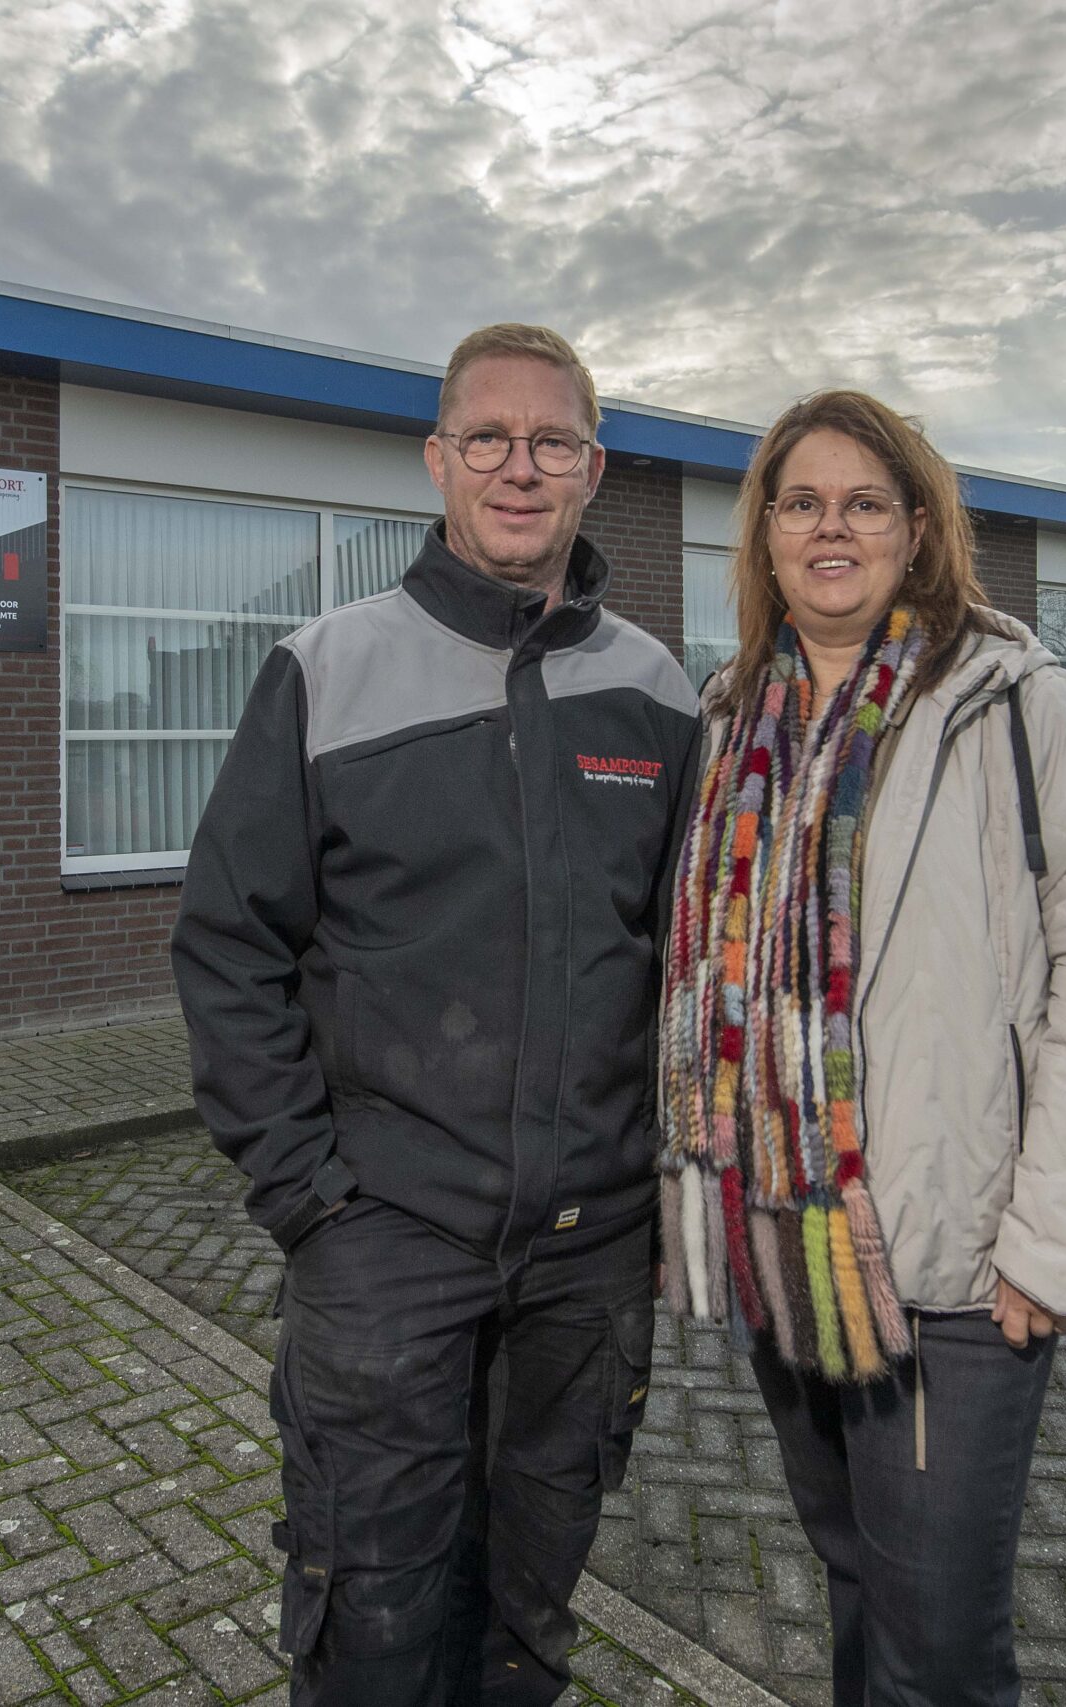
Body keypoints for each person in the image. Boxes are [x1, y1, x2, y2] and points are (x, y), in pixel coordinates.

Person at [171, 324, 699, 1706]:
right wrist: (311, 1204)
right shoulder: (327, 671)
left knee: (526, 1622)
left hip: (589, 1261)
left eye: (552, 443)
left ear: (595, 468)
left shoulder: (653, 694)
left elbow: (691, 959)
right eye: (489, 439)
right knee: (376, 1634)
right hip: (386, 1248)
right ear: (438, 460)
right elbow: (231, 946)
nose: (520, 468)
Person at [657, 390, 1066, 1706]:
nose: (829, 526)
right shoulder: (729, 717)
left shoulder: (1018, 709)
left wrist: (1060, 1245)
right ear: (766, 534)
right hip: (788, 1246)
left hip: (954, 1270)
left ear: (917, 526)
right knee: (854, 1581)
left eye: (863, 502)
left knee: (939, 1642)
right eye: (801, 502)